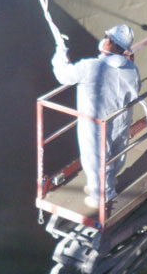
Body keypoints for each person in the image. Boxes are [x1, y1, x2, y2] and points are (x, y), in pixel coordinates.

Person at [52, 24, 140, 209]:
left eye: (109, 39)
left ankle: (102, 197)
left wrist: (60, 55)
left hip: (95, 124)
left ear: (116, 46)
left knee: (95, 159)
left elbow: (63, 75)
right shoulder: (131, 68)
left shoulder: (90, 67)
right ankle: (109, 184)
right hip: (120, 119)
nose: (105, 40)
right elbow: (134, 92)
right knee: (116, 154)